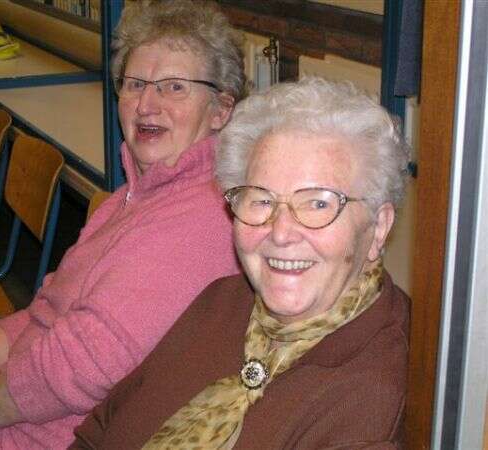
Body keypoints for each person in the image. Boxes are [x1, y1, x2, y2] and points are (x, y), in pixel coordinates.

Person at [0, 1, 246, 449]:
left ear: (221, 110)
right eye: (135, 84)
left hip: (52, 437)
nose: (146, 105)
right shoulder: (132, 198)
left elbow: (78, 366)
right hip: (17, 406)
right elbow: (48, 314)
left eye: (174, 87)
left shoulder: (203, 219)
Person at [70, 77, 411, 449]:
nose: (281, 233)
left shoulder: (375, 394)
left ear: (379, 227)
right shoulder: (223, 302)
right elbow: (100, 430)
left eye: (318, 203)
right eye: (261, 200)